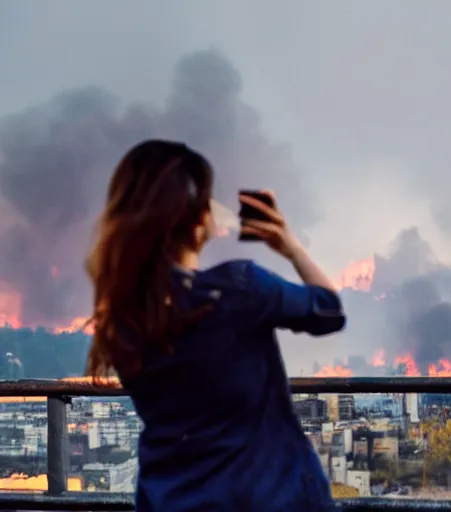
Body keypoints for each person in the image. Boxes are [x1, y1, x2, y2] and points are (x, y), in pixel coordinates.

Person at [86, 140, 346, 511]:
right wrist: (289, 246)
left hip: (171, 498)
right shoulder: (240, 289)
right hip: (269, 497)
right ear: (195, 219)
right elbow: (328, 311)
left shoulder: (122, 320)